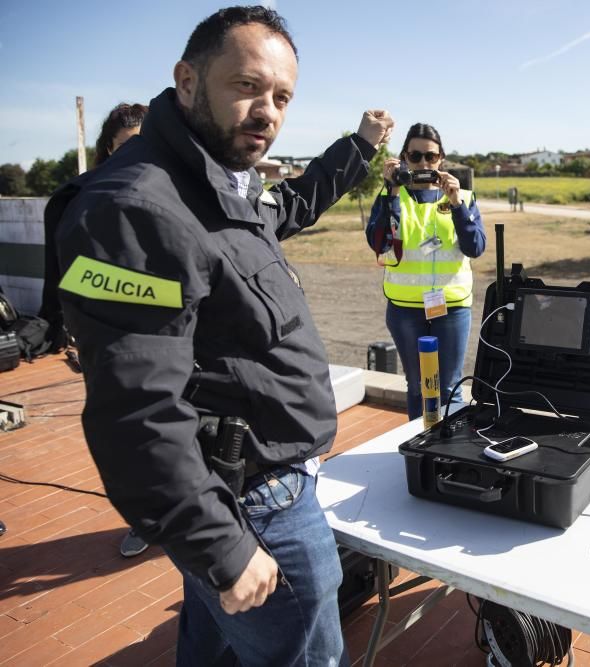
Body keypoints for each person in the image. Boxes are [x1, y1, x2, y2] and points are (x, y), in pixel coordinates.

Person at [43, 6, 393, 665]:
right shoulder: (138, 206)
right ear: (187, 80)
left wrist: (360, 148)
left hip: (254, 488)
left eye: (282, 97)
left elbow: (292, 204)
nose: (267, 110)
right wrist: (223, 548)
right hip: (254, 509)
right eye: (246, 86)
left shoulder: (222, 182)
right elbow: (135, 414)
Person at [366, 123, 486, 420]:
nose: (422, 164)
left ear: (441, 159)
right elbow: (381, 245)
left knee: (449, 390)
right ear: (403, 158)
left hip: (452, 308)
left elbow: (475, 247)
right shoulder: (391, 197)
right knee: (418, 387)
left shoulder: (463, 198)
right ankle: (418, 454)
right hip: (405, 310)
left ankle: (449, 455)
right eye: (415, 156)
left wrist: (457, 204)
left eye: (430, 157)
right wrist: (391, 191)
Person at [95, 101, 154, 558]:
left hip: (176, 347)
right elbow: (78, 281)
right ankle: (146, 521)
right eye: (123, 149)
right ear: (107, 153)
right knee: (133, 442)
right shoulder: (93, 204)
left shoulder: (176, 196)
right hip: (120, 346)